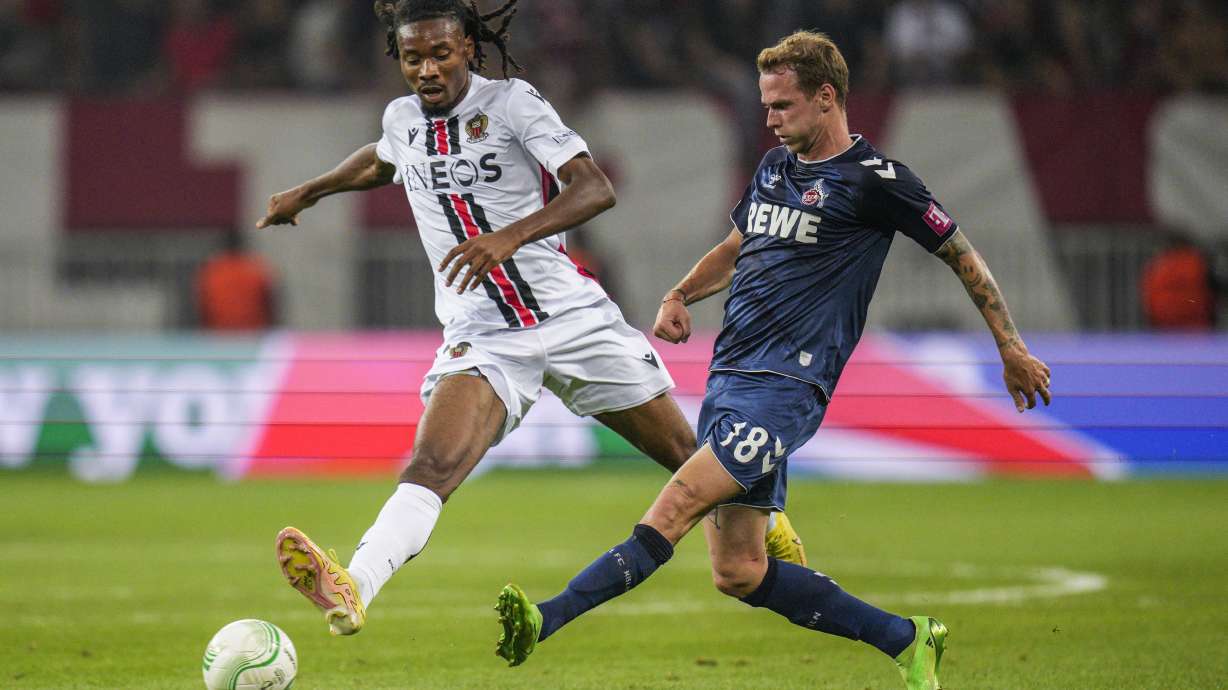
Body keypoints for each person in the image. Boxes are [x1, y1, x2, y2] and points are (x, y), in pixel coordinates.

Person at [495, 31, 1053, 690]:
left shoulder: (879, 184)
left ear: (826, 98)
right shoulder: (773, 169)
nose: (770, 118)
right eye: (766, 105)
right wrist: (680, 292)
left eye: (783, 105)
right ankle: (907, 638)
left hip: (787, 388)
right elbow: (737, 245)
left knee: (674, 508)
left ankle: (545, 617)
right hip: (731, 379)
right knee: (739, 571)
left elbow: (962, 252)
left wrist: (1010, 345)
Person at [256, 0, 808, 638]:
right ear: (398, 59)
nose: (427, 69)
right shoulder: (403, 118)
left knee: (689, 458)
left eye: (440, 54)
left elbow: (594, 186)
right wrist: (311, 190)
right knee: (431, 468)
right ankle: (355, 586)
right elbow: (384, 159)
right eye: (413, 58)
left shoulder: (514, 104)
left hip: (573, 321)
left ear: (469, 48)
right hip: (485, 339)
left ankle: (772, 525)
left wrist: (509, 237)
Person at [195, 227, 279, 331]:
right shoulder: (256, 270)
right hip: (254, 335)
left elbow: (202, 310)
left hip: (219, 336)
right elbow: (271, 307)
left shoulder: (211, 273)